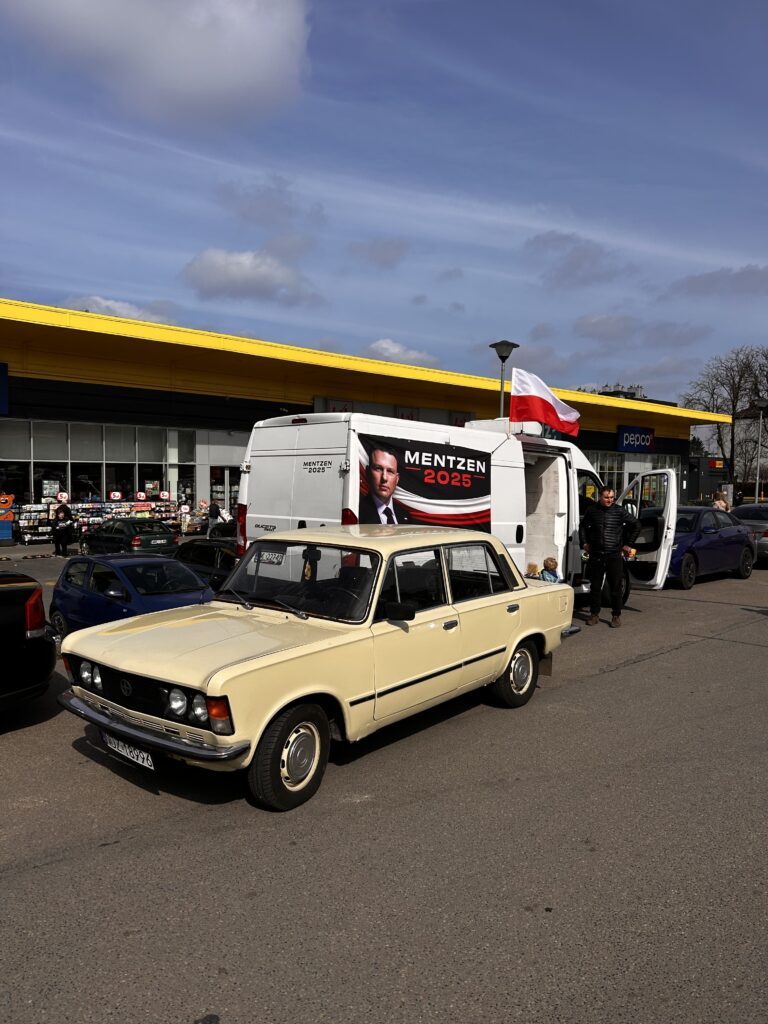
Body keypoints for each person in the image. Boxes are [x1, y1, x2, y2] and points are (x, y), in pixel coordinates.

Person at [579, 486, 640, 628]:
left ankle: (616, 616)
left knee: (616, 587)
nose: (609, 500)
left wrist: (628, 544)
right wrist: (584, 543)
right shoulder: (592, 511)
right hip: (596, 554)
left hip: (614, 555)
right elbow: (582, 527)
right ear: (600, 496)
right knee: (595, 587)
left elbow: (637, 524)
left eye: (612, 497)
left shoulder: (619, 511)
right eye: (606, 497)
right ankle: (594, 615)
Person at [359, 447, 412, 524]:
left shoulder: (405, 516)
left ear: (397, 479)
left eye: (390, 471)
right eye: (378, 469)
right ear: (368, 473)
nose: (384, 478)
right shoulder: (357, 514)